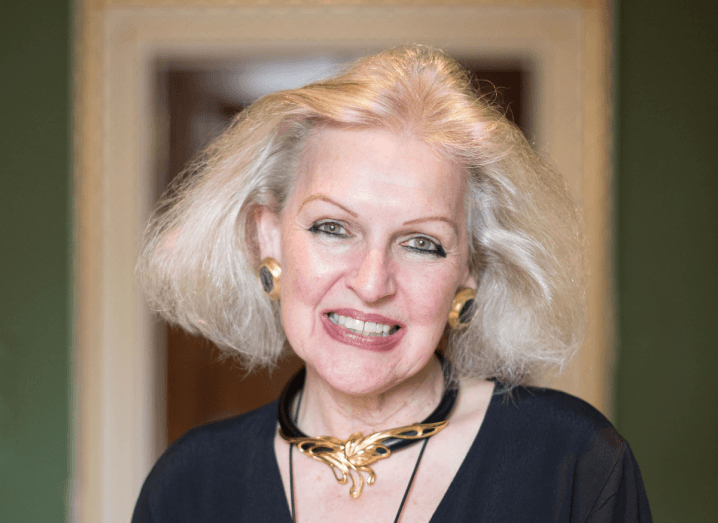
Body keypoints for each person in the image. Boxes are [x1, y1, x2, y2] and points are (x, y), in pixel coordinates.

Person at [132, 46, 652, 522]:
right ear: (267, 238)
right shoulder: (188, 486)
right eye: (333, 228)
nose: (371, 281)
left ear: (469, 268)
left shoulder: (574, 464)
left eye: (421, 243)